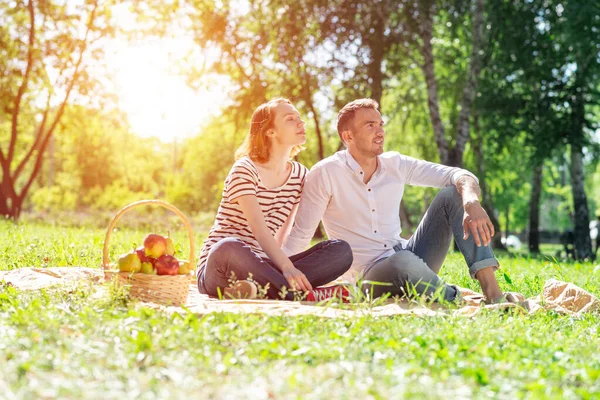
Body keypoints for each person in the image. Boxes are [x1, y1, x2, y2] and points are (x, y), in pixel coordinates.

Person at [283, 98, 505, 304]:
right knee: (403, 262)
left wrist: (470, 203)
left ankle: (493, 293)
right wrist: (282, 275)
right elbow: (301, 234)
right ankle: (456, 298)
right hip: (368, 276)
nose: (380, 131)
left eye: (380, 124)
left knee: (453, 194)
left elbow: (459, 175)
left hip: (406, 253)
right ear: (347, 137)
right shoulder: (325, 173)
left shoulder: (395, 164)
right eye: (370, 125)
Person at [197, 98, 353, 301]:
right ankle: (306, 294)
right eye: (290, 119)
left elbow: (282, 231)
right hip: (220, 267)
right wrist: (288, 269)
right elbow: (259, 229)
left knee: (341, 250)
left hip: (263, 267)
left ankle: (261, 289)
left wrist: (286, 266)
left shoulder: (299, 175)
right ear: (270, 132)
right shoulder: (245, 169)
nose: (301, 123)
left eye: (299, 118)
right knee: (228, 247)